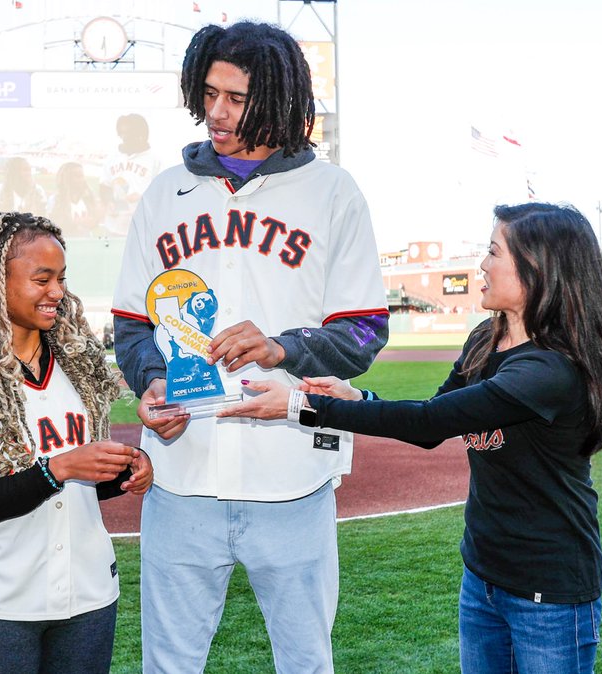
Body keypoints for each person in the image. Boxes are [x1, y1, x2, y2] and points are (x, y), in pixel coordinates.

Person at [223, 203, 602, 673]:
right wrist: (358, 398)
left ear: (538, 268)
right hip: (483, 577)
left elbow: (430, 422)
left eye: (494, 252)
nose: (482, 264)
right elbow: (436, 419)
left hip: (550, 592)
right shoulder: (486, 338)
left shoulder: (549, 370)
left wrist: (298, 406)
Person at [111, 21, 390, 673]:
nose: (216, 111)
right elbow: (130, 325)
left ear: (279, 97)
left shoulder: (332, 194)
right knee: (169, 665)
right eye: (208, 93)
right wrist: (150, 381)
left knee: (304, 663)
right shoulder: (164, 193)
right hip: (182, 475)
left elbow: (363, 333)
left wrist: (280, 346)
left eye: (235, 98)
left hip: (292, 473)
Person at [0, 211, 153, 674]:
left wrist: (128, 468)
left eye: (61, 278)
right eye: (41, 279)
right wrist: (59, 467)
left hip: (88, 594)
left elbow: (87, 476)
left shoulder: (76, 362)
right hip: (1, 601)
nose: (57, 293)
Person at [98, 113, 161, 236]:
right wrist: (109, 201)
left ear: (141, 135)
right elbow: (104, 186)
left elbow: (162, 193)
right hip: (114, 228)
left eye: (129, 134)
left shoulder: (155, 160)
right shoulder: (112, 159)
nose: (124, 137)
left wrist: (142, 197)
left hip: (144, 228)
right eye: (122, 133)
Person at [47, 161, 101, 237]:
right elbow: (52, 226)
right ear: (67, 179)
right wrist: (74, 225)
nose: (82, 179)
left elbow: (95, 219)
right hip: (64, 243)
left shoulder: (87, 198)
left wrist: (93, 221)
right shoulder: (55, 200)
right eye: (78, 176)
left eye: (82, 176)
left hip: (86, 242)